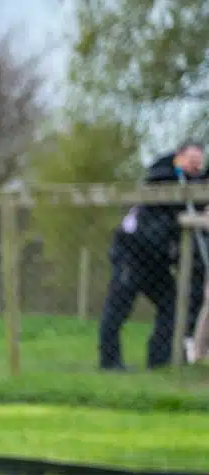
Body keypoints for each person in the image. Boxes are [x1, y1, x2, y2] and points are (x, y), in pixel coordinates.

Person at [99, 141, 208, 370]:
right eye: (191, 161)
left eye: (199, 163)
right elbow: (160, 181)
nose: (195, 167)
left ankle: (159, 361)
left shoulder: (194, 187)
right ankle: (109, 362)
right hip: (131, 252)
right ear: (179, 157)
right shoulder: (162, 177)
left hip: (157, 263)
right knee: (118, 308)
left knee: (172, 305)